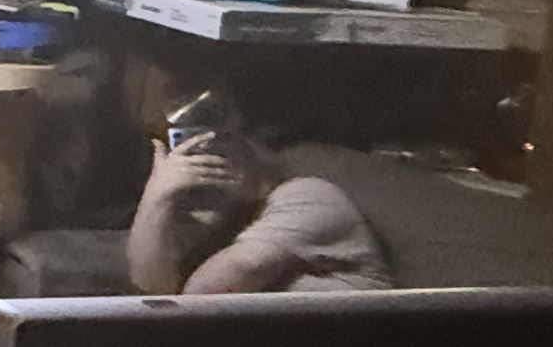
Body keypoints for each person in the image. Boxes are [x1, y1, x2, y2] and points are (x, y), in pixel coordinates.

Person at [125, 117, 389, 295]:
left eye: (220, 142)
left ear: (253, 144)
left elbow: (200, 296)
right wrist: (157, 196)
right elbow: (152, 297)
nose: (208, 157)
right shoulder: (225, 220)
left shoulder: (310, 196)